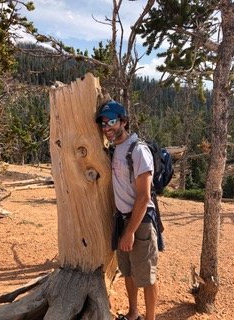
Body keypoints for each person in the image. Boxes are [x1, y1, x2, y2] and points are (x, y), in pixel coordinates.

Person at [96, 100, 158, 320]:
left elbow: (144, 196)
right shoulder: (116, 149)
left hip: (140, 221)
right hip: (123, 220)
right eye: (103, 124)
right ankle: (133, 314)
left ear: (123, 121)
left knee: (146, 275)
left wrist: (130, 231)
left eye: (111, 121)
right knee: (128, 270)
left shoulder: (138, 150)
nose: (107, 128)